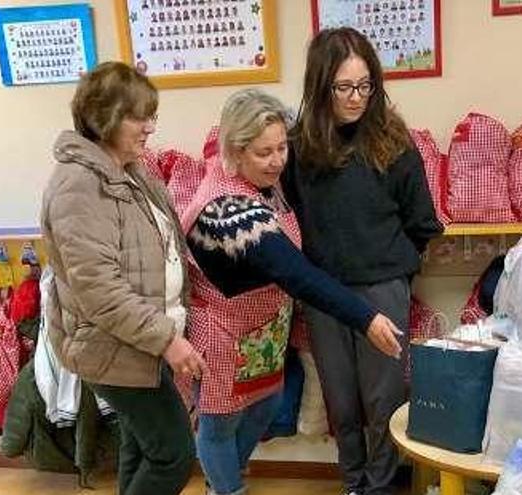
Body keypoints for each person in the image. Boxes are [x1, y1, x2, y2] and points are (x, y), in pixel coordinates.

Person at [179, 88, 404, 495]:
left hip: (261, 332)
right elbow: (293, 271)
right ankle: (227, 489)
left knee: (264, 404)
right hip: (223, 332)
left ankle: (228, 476)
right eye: (264, 152)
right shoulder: (225, 210)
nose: (278, 160)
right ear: (236, 150)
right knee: (219, 422)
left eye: (282, 147)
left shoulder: (265, 182)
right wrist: (366, 318)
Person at [283, 27, 443, 495]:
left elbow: (421, 222)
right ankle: (353, 484)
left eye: (365, 85)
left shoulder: (393, 140)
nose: (357, 97)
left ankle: (380, 487)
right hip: (324, 294)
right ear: (320, 86)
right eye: (344, 87)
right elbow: (291, 216)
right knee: (341, 401)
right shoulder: (300, 145)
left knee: (383, 400)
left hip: (382, 287)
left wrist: (395, 272)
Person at [40, 61, 207, 495]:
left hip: (140, 342)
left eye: (151, 115)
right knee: (172, 452)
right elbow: (99, 289)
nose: (149, 127)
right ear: (104, 118)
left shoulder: (127, 170)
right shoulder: (79, 184)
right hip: (116, 346)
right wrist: (168, 340)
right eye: (139, 116)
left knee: (140, 446)